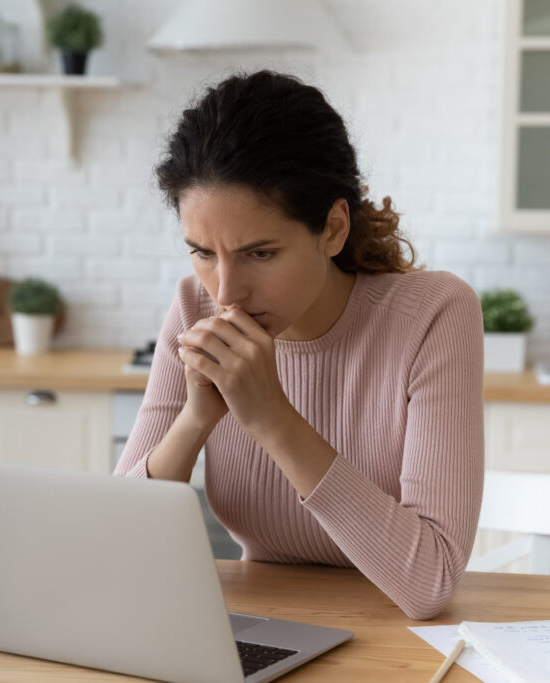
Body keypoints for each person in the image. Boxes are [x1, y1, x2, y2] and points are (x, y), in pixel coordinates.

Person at [114, 70, 484, 620]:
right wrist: (195, 420)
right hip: (261, 625)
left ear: (333, 228)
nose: (227, 292)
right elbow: (116, 552)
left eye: (260, 254)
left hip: (396, 644)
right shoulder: (195, 305)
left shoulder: (433, 314)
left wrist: (271, 418)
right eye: (203, 252)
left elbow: (428, 582)